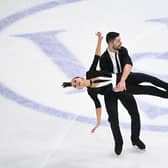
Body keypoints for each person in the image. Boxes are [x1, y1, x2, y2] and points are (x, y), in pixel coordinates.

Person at [62, 32, 168, 155]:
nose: (77, 83)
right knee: (114, 119)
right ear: (111, 42)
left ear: (80, 77)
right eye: (75, 85)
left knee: (148, 85)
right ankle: (119, 143)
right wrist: (97, 122)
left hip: (124, 80)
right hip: (111, 92)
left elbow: (98, 57)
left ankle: (135, 139)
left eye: (76, 81)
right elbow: (97, 105)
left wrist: (99, 40)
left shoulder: (92, 71)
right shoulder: (94, 83)